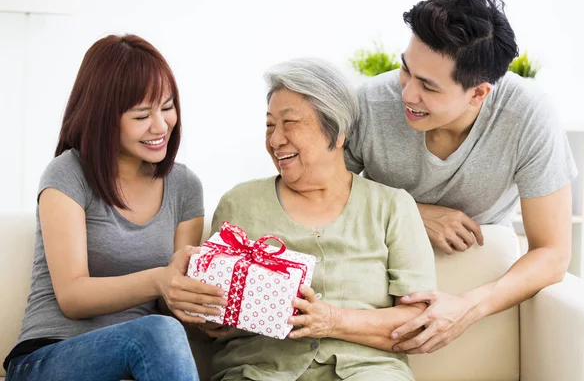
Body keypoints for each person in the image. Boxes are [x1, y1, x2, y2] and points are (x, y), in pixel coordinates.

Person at [344, 0, 576, 354]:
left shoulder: (528, 115)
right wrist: (412, 213)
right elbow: (315, 192)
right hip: (373, 268)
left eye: (429, 87)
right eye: (406, 69)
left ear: (479, 93)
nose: (406, 94)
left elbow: (552, 252)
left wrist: (468, 307)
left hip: (474, 270)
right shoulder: (368, 103)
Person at [3, 34, 227, 380]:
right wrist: (159, 280)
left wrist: (202, 312)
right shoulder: (67, 174)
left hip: (140, 361)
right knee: (157, 333)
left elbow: (172, 299)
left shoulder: (185, 187)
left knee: (162, 332)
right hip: (48, 358)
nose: (161, 125)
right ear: (104, 117)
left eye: (167, 107)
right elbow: (72, 296)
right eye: (142, 115)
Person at [205, 57, 436, 381]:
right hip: (261, 373)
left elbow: (418, 323)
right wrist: (209, 313)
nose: (275, 140)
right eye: (270, 125)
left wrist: (331, 320)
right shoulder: (239, 204)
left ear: (337, 132)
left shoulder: (392, 207)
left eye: (290, 123)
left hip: (368, 373)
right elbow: (210, 316)